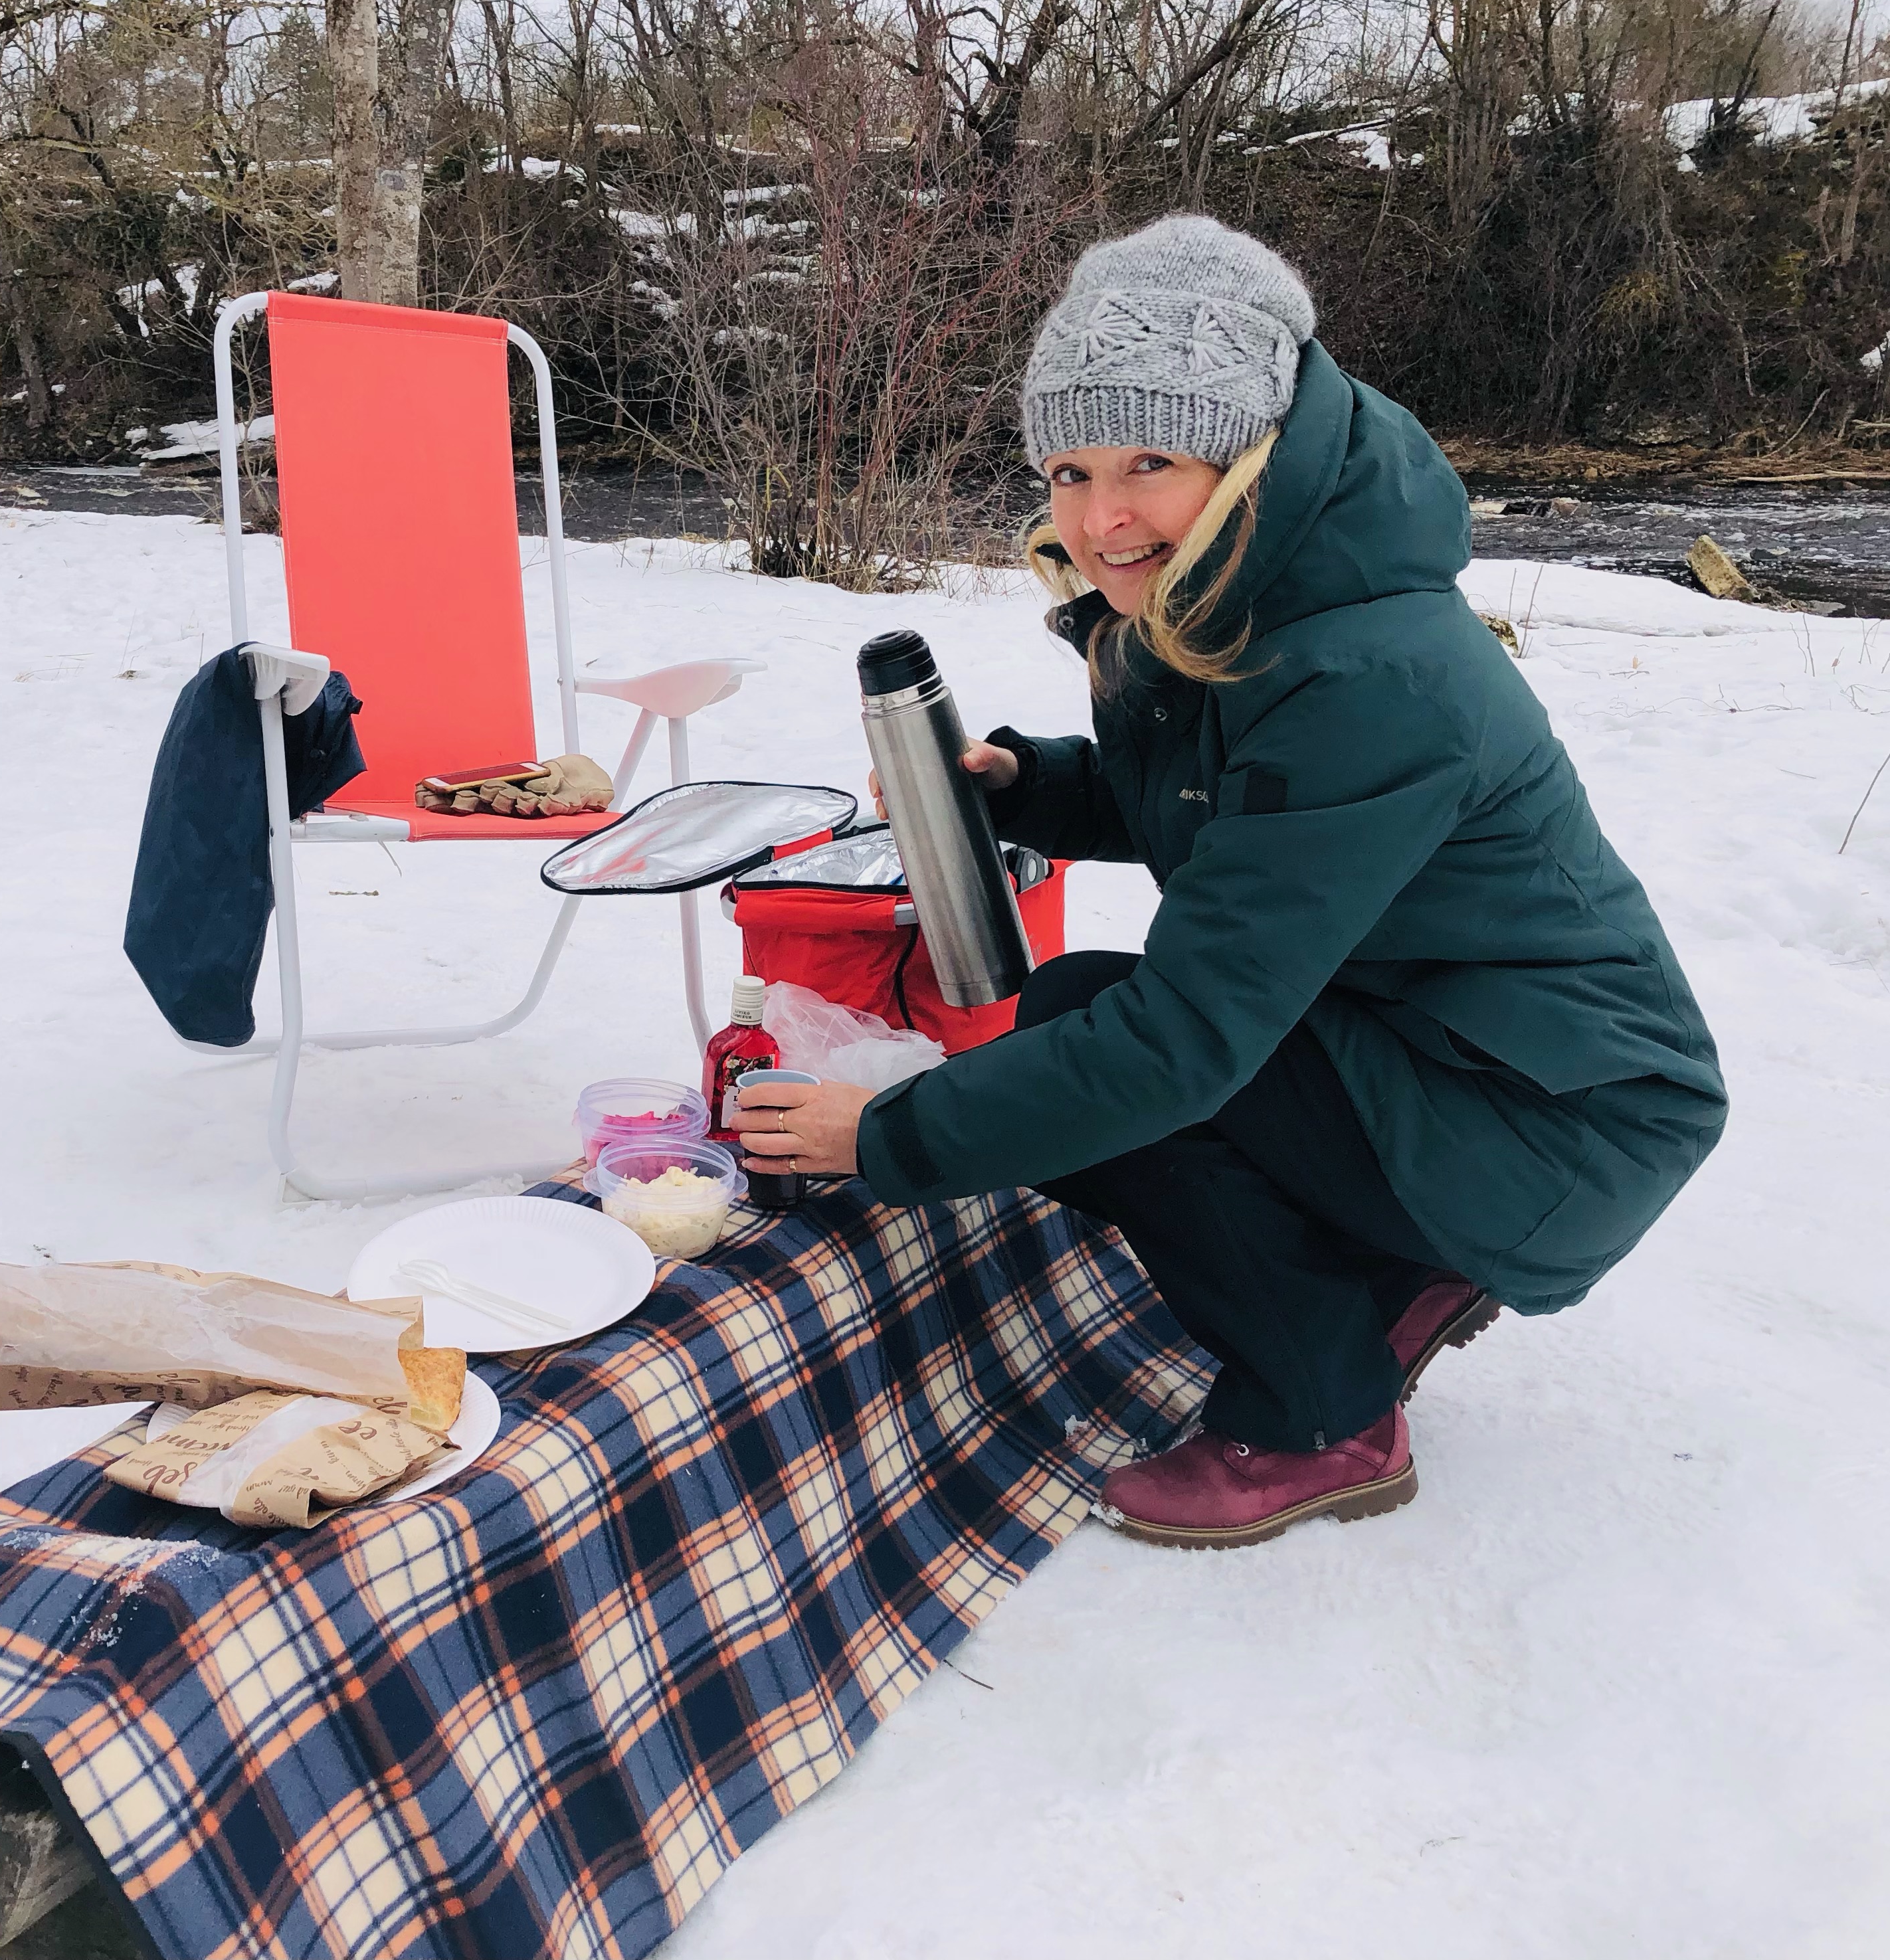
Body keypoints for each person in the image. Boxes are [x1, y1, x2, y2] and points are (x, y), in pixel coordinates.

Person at [735, 215, 1728, 1550]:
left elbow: (1188, 1043)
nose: (1101, 518)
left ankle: (1323, 1415)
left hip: (1562, 1128)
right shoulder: (1273, 601)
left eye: (1152, 460)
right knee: (1083, 1004)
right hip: (1480, 1056)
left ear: (1255, 452)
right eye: (1072, 468)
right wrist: (1033, 786)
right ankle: (1393, 1268)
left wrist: (890, 1139)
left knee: (1136, 1074)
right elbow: (1240, 815)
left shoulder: (1362, 673)